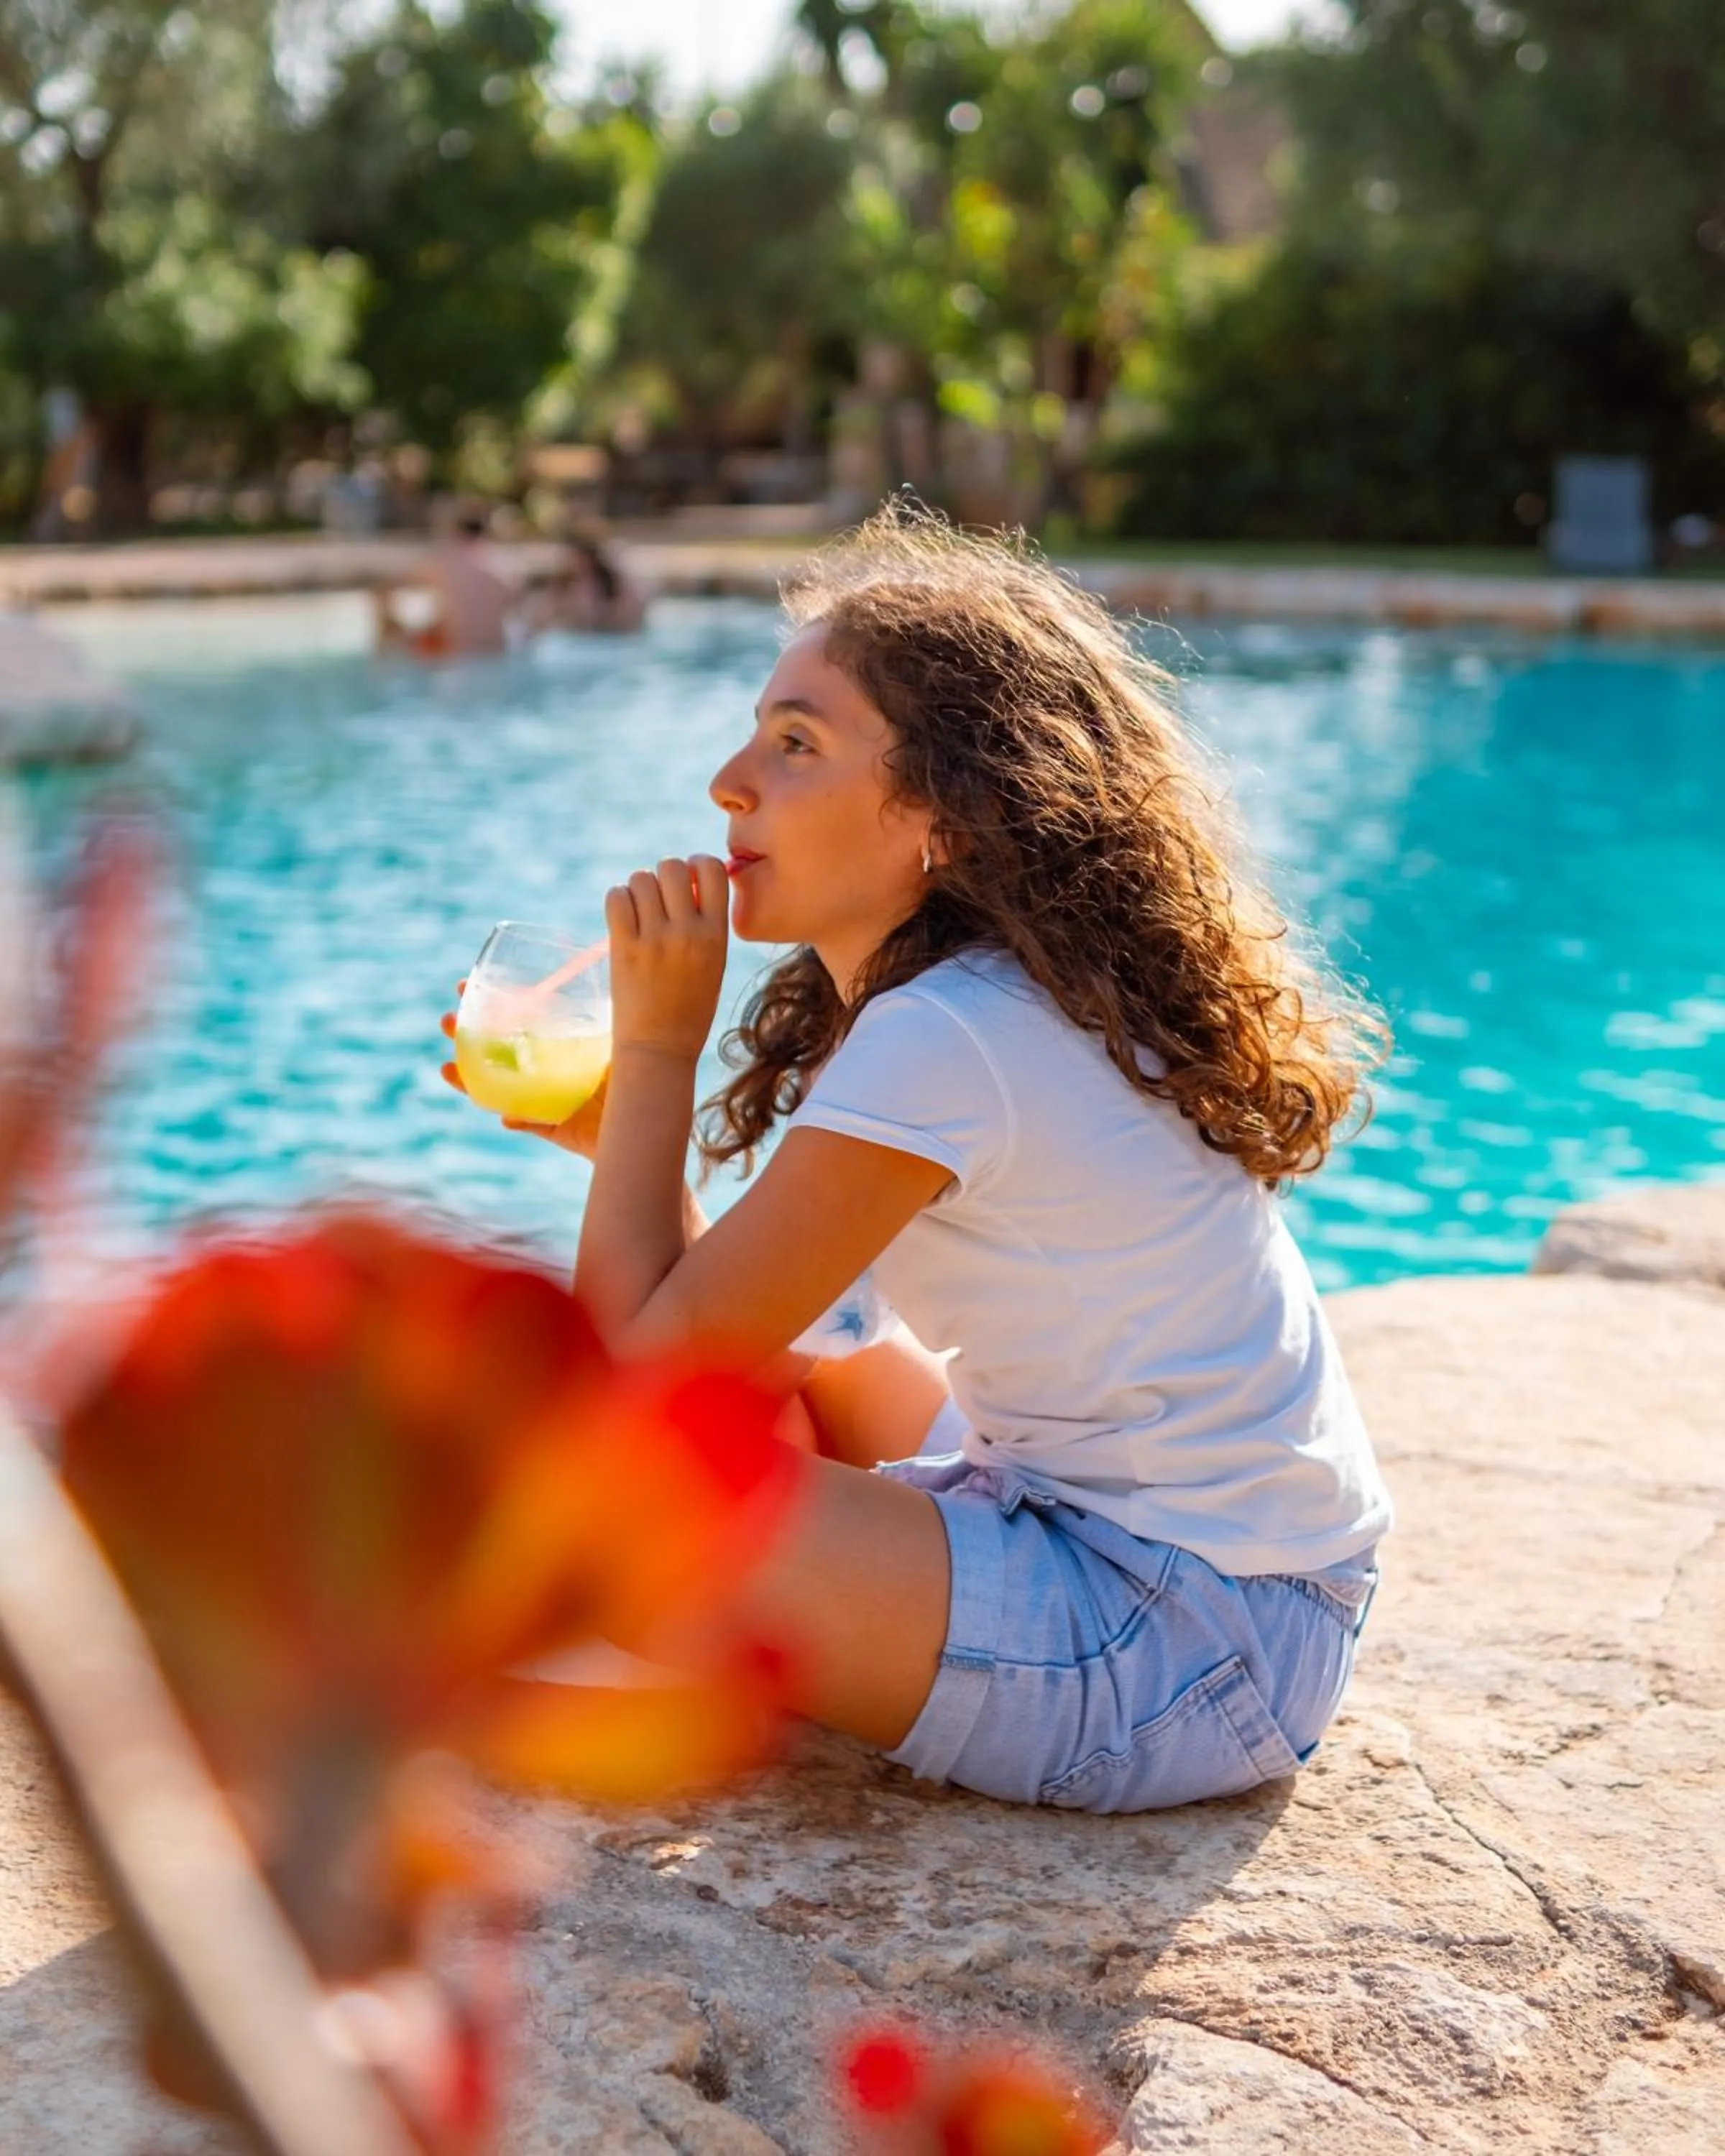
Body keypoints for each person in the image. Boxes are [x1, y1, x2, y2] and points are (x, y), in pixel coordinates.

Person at [441, 507, 1392, 1814]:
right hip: (1242, 1592)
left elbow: (641, 1400)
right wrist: (622, 1139)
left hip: (1178, 1636)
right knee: (814, 1399)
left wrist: (662, 1057)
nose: (729, 780)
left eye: (796, 744)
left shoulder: (947, 1037)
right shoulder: (969, 1006)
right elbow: (728, 1338)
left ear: (944, 821)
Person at [374, 510, 514, 659]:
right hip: (497, 657)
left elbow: (384, 588)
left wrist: (398, 628)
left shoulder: (443, 562)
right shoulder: (504, 567)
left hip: (457, 657)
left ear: (456, 533)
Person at [517, 533, 648, 637]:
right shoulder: (563, 585)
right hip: (581, 639)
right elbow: (542, 617)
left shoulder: (613, 584)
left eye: (576, 557)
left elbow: (632, 619)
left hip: (610, 638)